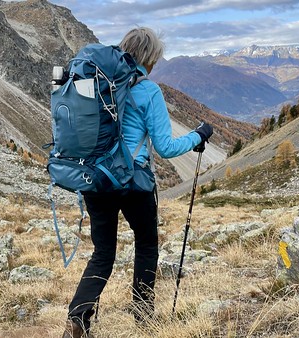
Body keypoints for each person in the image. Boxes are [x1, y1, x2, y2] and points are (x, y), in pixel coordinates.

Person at [62, 27, 213, 338]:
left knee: (103, 253)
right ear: (150, 59)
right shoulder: (149, 91)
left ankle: (78, 319)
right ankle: (144, 316)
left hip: (96, 179)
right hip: (134, 182)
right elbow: (166, 147)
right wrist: (199, 135)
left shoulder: (98, 84)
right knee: (146, 245)